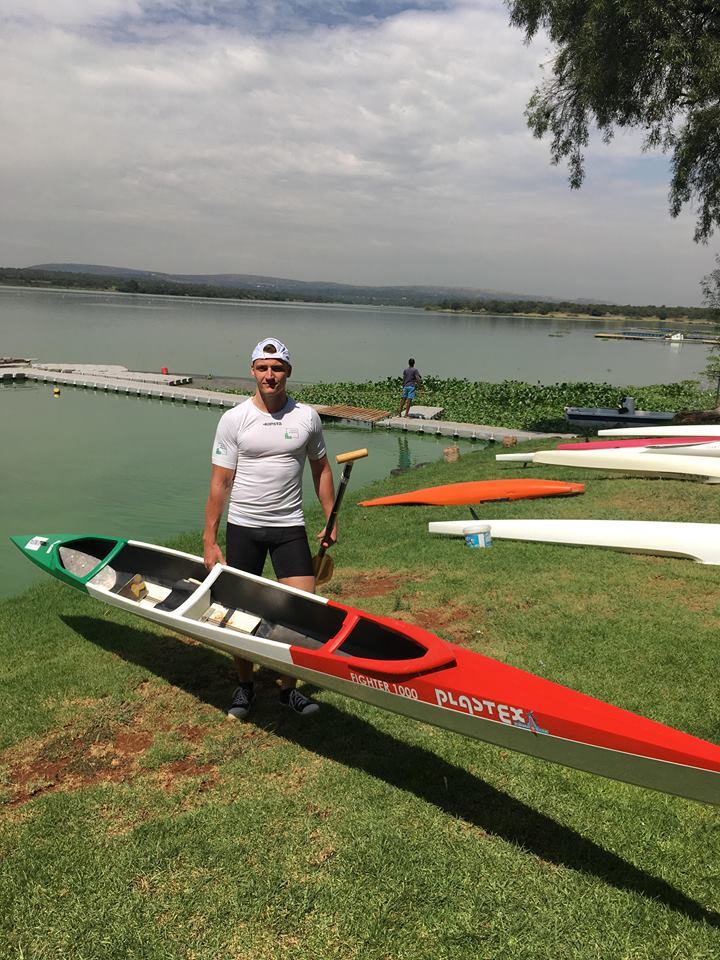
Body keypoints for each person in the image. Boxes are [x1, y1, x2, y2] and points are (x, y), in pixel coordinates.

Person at [203, 336, 336, 720]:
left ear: (288, 372)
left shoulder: (306, 417)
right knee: (238, 611)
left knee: (302, 611)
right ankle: (245, 686)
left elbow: (321, 469)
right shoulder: (234, 419)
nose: (270, 375)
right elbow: (220, 483)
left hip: (288, 527)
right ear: (253, 371)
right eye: (263, 368)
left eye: (277, 368)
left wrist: (331, 517)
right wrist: (209, 539)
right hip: (244, 527)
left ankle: (287, 689)